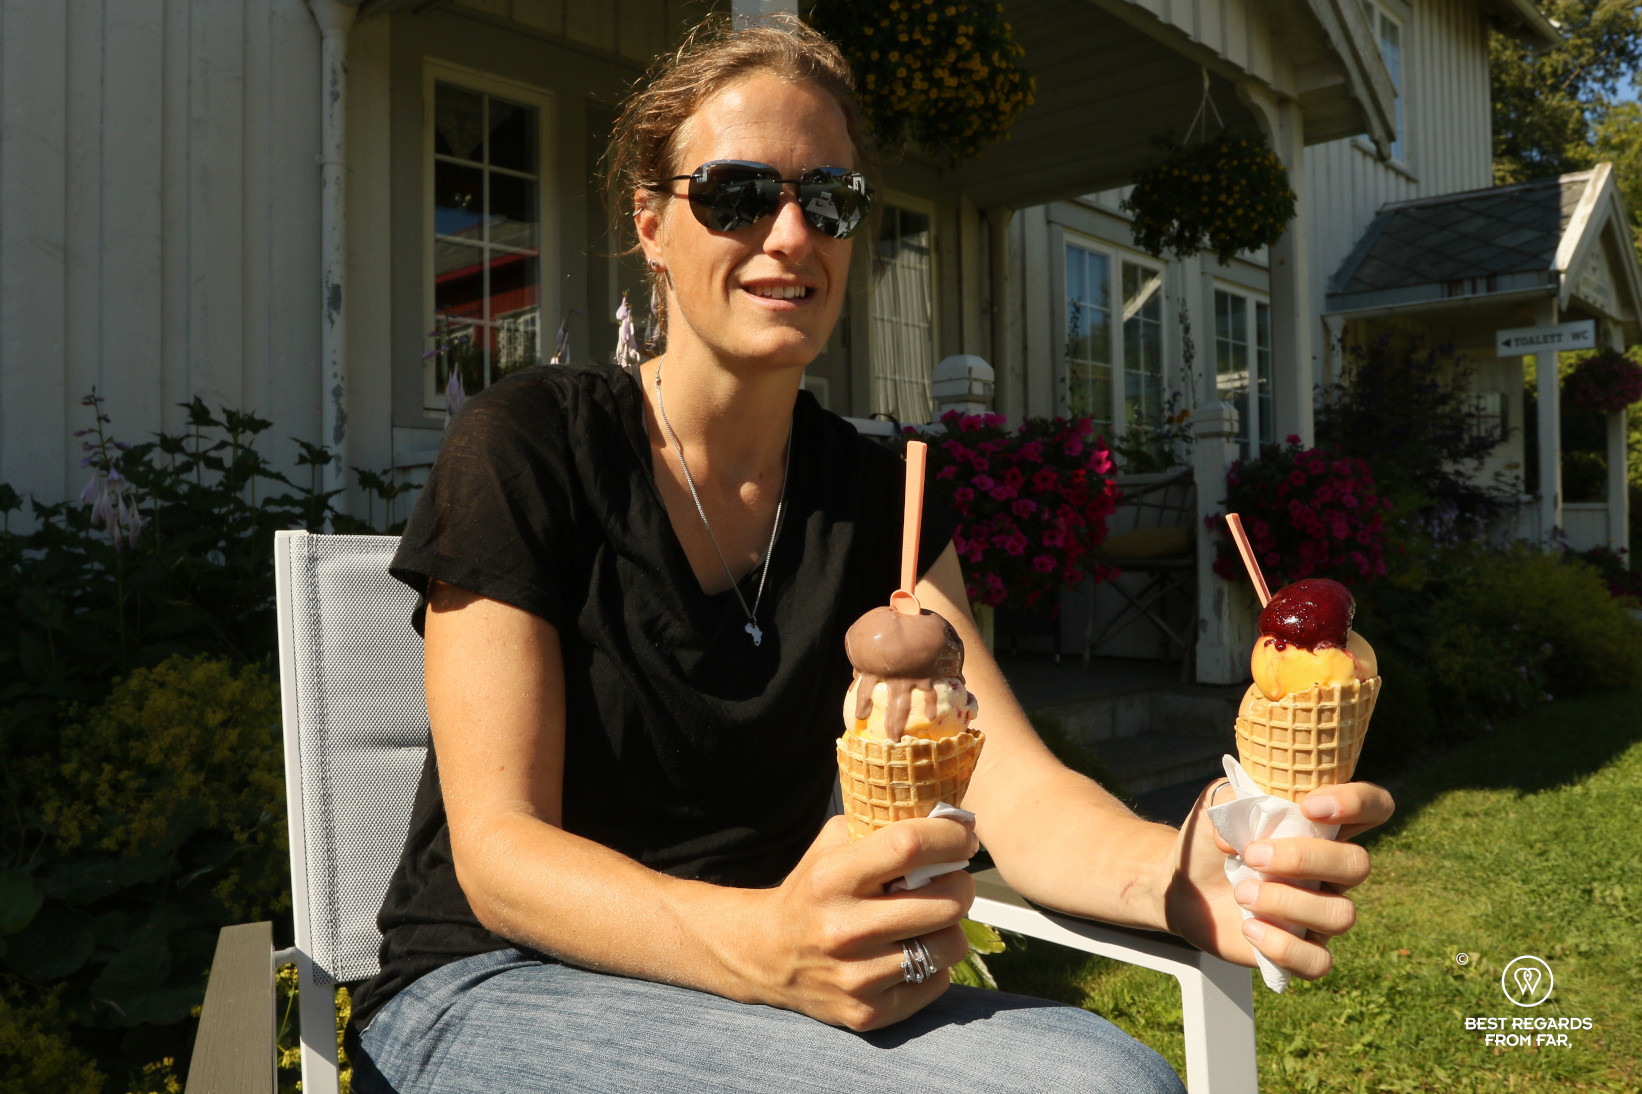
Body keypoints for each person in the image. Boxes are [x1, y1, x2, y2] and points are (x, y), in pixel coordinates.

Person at [348, 16, 1394, 1093]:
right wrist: (761, 945)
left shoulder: (883, 499)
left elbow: (1014, 790)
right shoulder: (530, 444)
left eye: (830, 199)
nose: (791, 234)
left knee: (1110, 1078)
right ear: (651, 223)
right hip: (495, 986)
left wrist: (1177, 871)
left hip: (768, 997)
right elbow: (501, 852)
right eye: (738, 194)